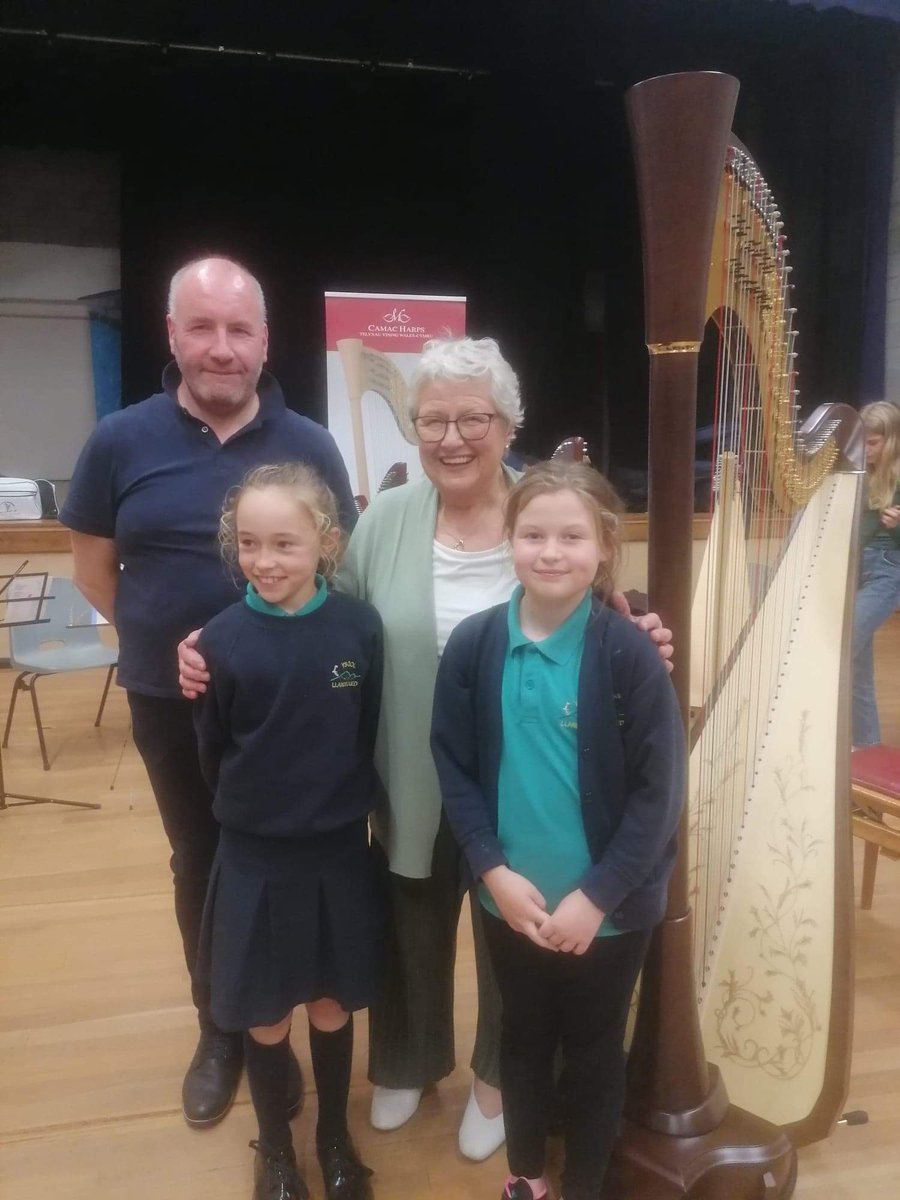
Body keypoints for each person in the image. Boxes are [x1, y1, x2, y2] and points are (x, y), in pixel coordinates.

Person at [179, 337, 673, 1161]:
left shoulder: (545, 513)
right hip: (406, 762)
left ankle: (496, 1078)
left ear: (506, 422)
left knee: (511, 929)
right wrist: (214, 645)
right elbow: (312, 605)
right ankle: (407, 1061)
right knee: (409, 917)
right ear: (415, 429)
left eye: (472, 417)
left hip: (523, 778)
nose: (452, 437)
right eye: (433, 419)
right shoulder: (387, 519)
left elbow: (593, 599)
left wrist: (640, 627)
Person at [60, 257, 356, 1127]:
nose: (221, 349)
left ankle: (292, 1017)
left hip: (293, 711)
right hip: (169, 702)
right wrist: (164, 643)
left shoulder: (310, 445)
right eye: (202, 327)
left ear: (264, 341)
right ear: (172, 335)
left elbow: (338, 574)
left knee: (288, 858)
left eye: (238, 331)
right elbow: (92, 569)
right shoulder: (120, 440)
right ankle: (224, 1028)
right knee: (203, 863)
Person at [431, 461, 684, 1200]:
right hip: (510, 901)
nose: (550, 551)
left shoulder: (630, 656)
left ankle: (587, 1185)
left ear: (604, 546)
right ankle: (529, 1177)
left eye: (572, 536)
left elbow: (657, 795)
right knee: (522, 1038)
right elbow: (453, 765)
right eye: (533, 533)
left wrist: (597, 897)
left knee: (597, 1048)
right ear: (508, 540)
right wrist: (492, 872)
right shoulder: (476, 646)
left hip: (607, 912)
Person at [194, 463, 381, 1200]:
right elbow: (214, 754)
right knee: (266, 1016)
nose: (265, 561)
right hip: (255, 858)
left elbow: (365, 733)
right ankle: (275, 1150)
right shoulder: (220, 640)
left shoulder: (359, 630)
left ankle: (333, 1136)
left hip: (337, 854)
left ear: (326, 543)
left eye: (285, 544)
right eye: (249, 543)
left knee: (331, 1004)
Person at [853, 401, 900, 747]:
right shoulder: (856, 474)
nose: (866, 450)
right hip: (855, 569)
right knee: (858, 672)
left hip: (888, 570)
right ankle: (867, 749)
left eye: (873, 443)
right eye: (862, 441)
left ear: (891, 440)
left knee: (840, 649)